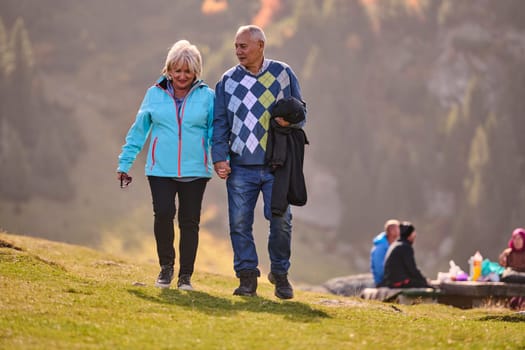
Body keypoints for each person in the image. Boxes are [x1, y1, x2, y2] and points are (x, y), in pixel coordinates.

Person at [212, 25, 305, 299]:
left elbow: (302, 111)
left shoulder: (283, 74)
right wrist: (219, 157)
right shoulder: (227, 81)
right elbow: (219, 124)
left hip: (277, 165)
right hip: (240, 166)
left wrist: (290, 120)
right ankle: (247, 278)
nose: (237, 51)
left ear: (260, 46)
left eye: (243, 46)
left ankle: (280, 273)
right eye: (236, 46)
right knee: (239, 224)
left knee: (281, 222)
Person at [116, 40, 214, 291]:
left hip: (195, 170)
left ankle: (186, 276)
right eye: (177, 70)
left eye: (187, 71)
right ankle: (166, 268)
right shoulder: (154, 94)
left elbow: (216, 132)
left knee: (189, 222)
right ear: (168, 70)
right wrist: (125, 162)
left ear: (196, 72)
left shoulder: (208, 96)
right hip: (160, 169)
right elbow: (139, 131)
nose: (182, 76)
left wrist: (223, 160)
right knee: (163, 215)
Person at [381, 221, 432, 288]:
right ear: (409, 235)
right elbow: (412, 269)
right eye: (413, 232)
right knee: (428, 286)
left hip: (390, 281)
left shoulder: (396, 245)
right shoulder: (405, 247)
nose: (415, 235)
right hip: (398, 282)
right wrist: (424, 280)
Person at [370, 219, 400, 286]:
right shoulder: (380, 247)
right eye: (398, 228)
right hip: (383, 282)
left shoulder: (392, 245)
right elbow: (379, 270)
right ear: (392, 231)